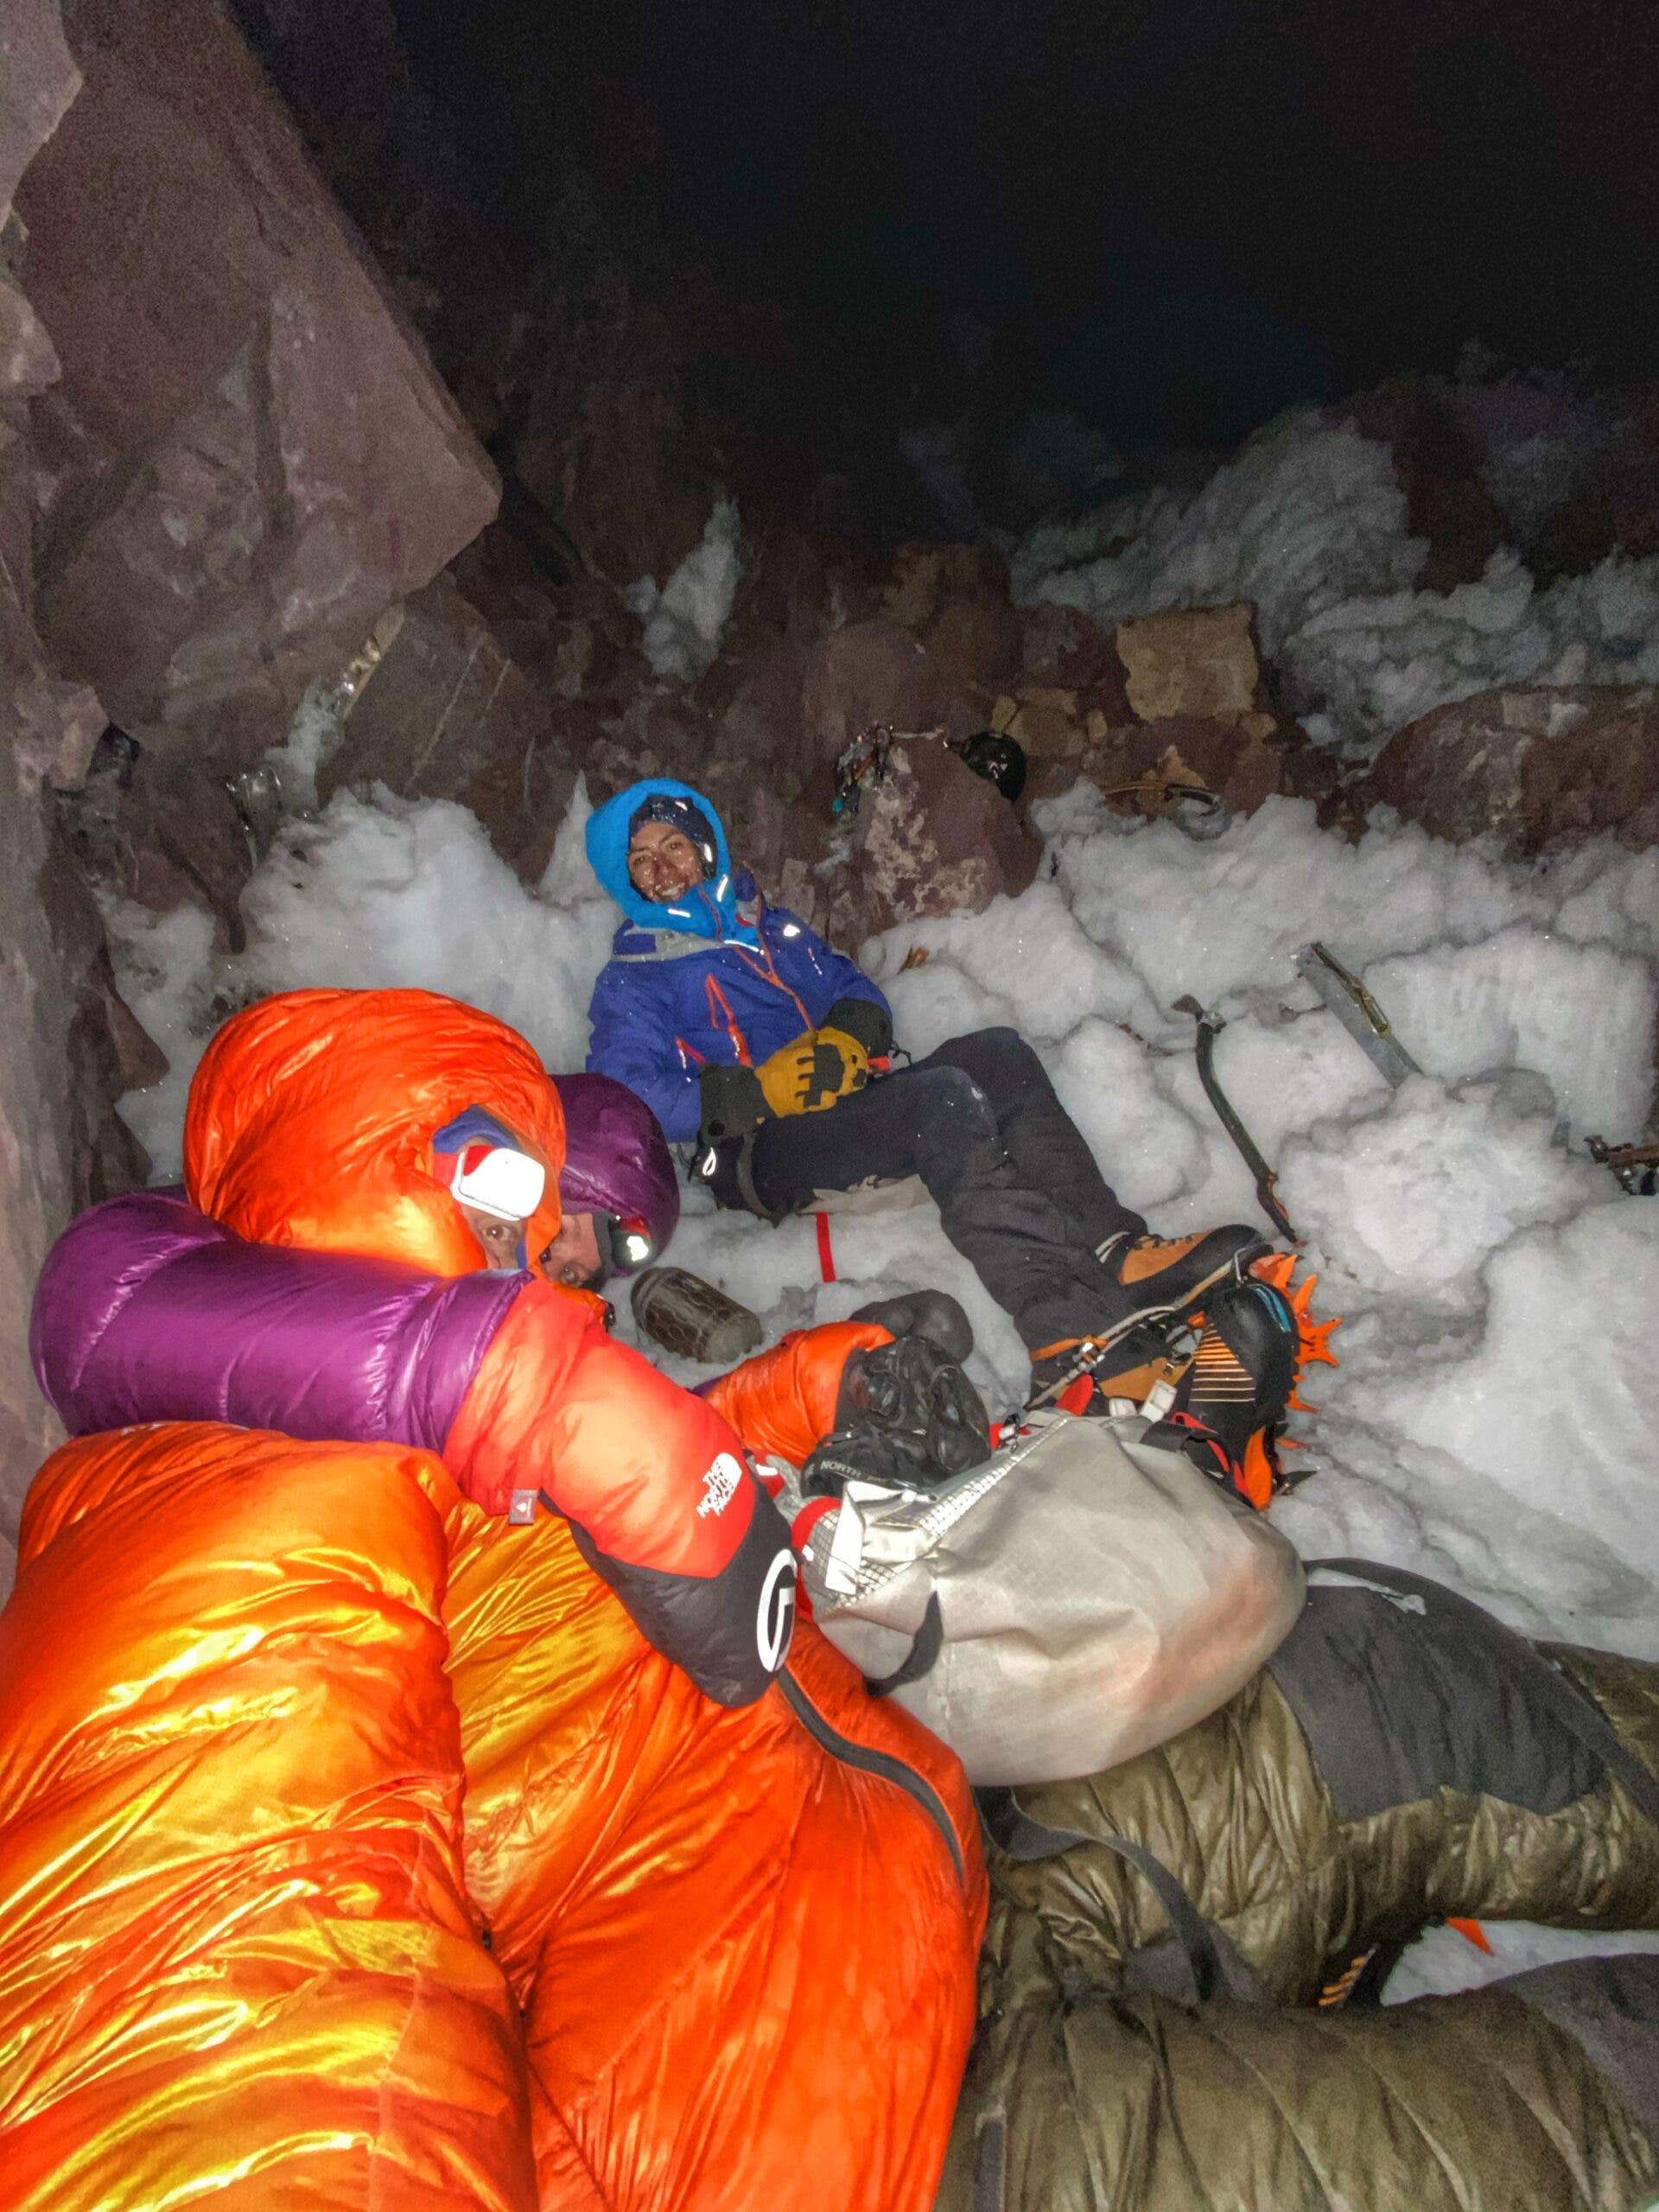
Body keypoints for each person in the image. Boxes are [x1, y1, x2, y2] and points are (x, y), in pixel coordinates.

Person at [584, 777, 1279, 1408]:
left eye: (674, 844)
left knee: (999, 1054)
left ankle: (1116, 1253)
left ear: (704, 848)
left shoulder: (764, 924)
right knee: (940, 1099)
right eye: (642, 860)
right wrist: (753, 1094)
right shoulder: (634, 978)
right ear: (629, 882)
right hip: (760, 1152)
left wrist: (851, 1039)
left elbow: (852, 989)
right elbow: (623, 1097)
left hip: (848, 1107)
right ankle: (1074, 1339)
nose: (664, 866)